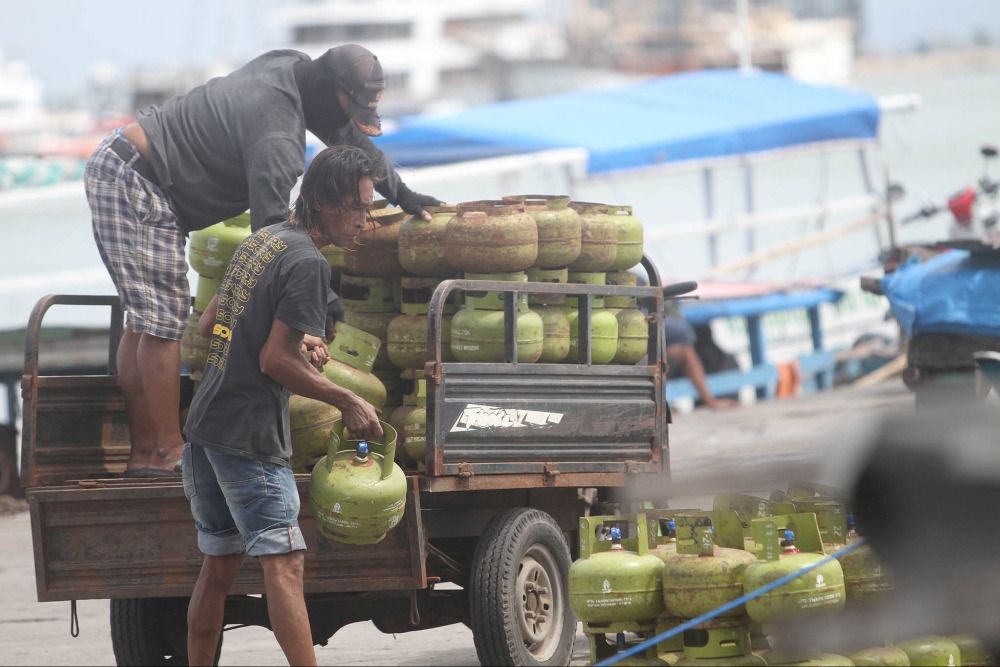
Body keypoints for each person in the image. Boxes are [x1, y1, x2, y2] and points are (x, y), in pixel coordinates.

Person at [84, 43, 439, 477]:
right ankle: (166, 451)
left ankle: (145, 454)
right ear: (328, 90)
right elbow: (274, 235)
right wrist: (319, 305)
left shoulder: (290, 68)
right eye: (347, 107)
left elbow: (346, 137)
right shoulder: (278, 140)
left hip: (130, 164)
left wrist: (402, 195)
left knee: (146, 321)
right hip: (138, 178)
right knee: (161, 322)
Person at [181, 145, 385, 666]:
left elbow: (211, 328)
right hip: (248, 433)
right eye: (361, 207)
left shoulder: (263, 240)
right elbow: (274, 361)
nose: (368, 220)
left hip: (206, 424)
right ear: (329, 202)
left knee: (219, 563)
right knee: (286, 563)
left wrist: (299, 344)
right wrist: (347, 398)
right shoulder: (308, 263)